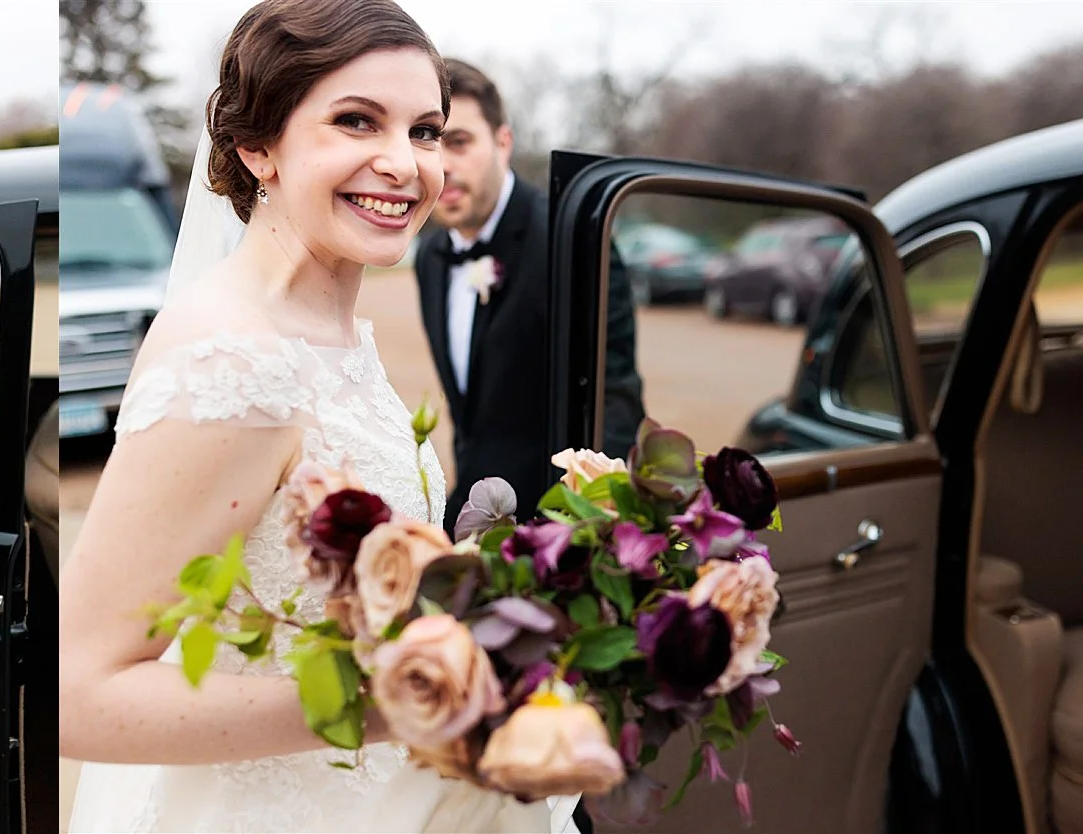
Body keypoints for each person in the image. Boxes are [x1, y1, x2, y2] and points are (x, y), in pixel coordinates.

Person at [57, 2, 580, 830]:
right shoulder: (231, 361)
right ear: (256, 145)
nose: (403, 164)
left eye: (426, 131)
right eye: (355, 121)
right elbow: (79, 695)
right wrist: (404, 699)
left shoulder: (335, 332)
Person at [414, 59, 645, 520]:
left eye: (458, 141)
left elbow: (614, 401)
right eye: (426, 141)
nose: (442, 165)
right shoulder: (430, 256)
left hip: (555, 526)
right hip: (475, 513)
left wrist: (578, 530)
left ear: (504, 142)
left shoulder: (571, 239)